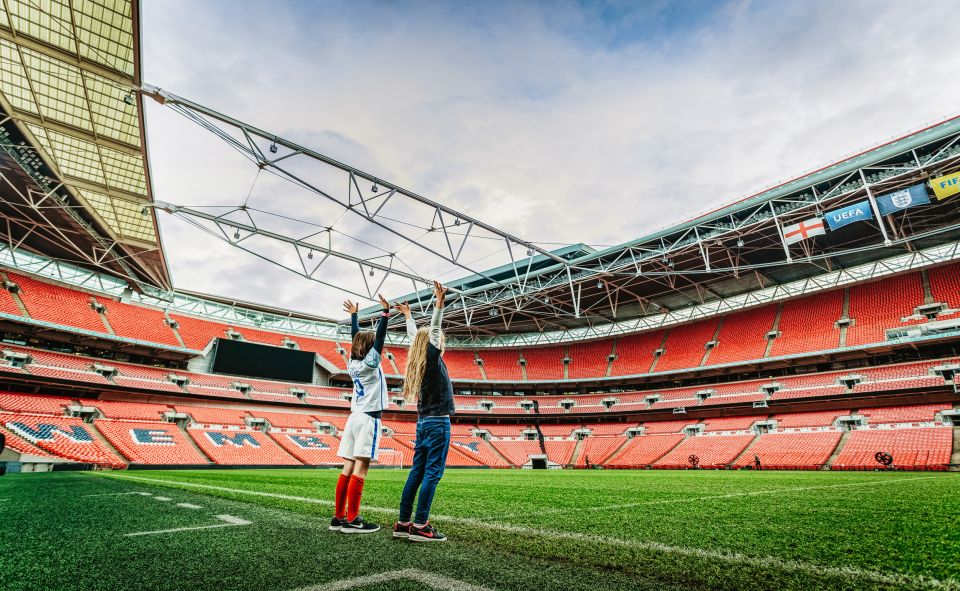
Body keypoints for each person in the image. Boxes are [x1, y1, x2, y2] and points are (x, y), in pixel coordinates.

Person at [392, 281, 455, 543]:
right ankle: (420, 526)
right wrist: (439, 303)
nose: (440, 341)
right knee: (432, 473)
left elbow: (414, 338)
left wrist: (408, 316)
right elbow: (436, 329)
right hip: (438, 424)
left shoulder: (419, 360)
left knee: (416, 472)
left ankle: (403, 522)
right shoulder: (431, 357)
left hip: (423, 423)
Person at [331, 294, 392, 534]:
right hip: (368, 418)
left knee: (347, 466)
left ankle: (338, 517)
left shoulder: (352, 364)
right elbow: (380, 341)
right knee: (361, 467)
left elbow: (356, 339)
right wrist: (385, 314)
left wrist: (355, 316)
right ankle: (353, 519)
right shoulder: (370, 364)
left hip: (354, 417)